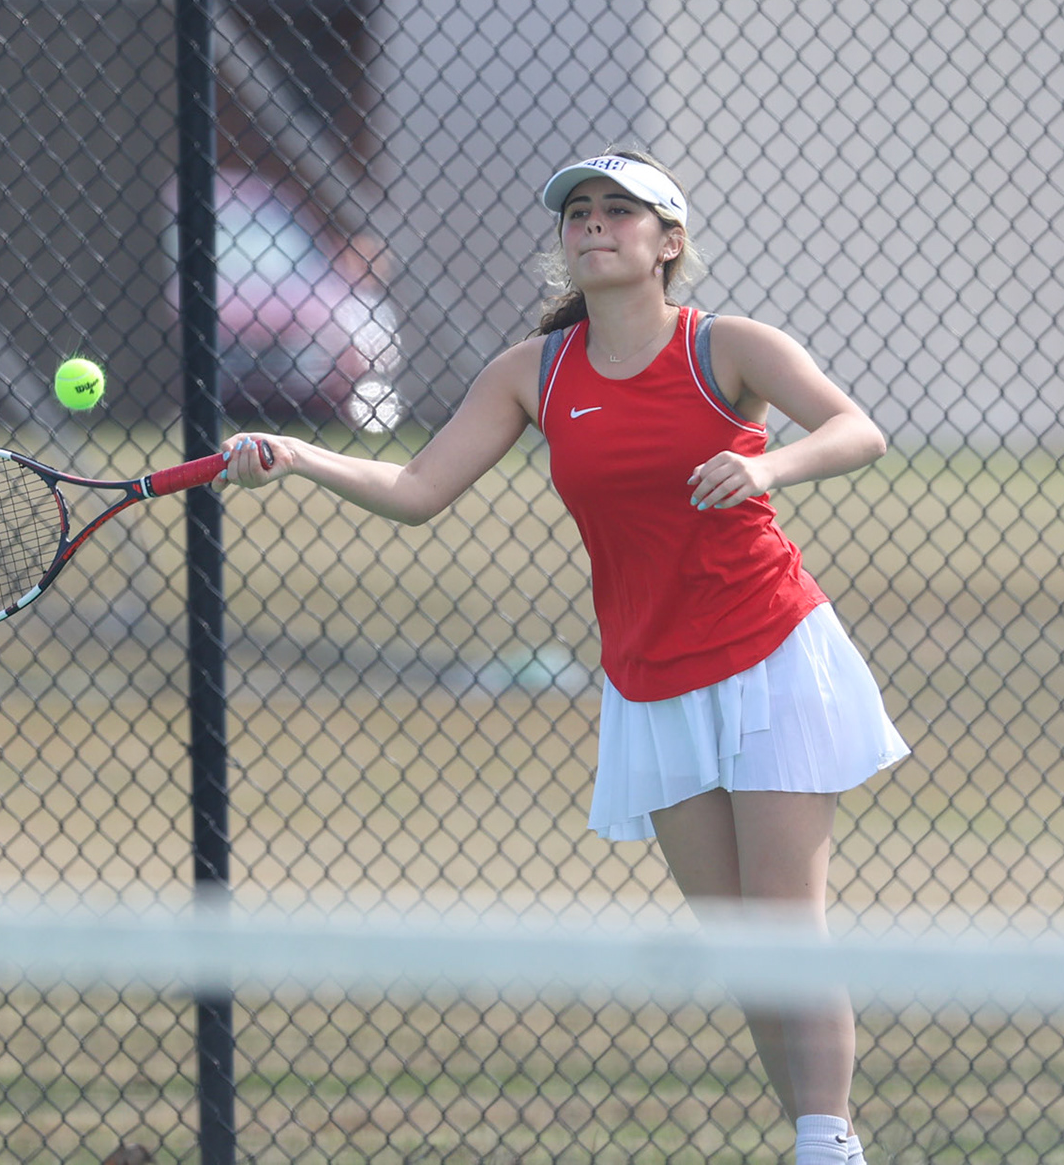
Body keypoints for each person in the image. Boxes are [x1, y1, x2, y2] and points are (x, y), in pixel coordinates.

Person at [217, 147, 909, 1165]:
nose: (593, 225)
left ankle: (826, 1141)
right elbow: (417, 489)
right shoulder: (532, 372)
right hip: (651, 676)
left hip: (771, 650)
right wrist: (301, 454)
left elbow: (859, 429)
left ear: (667, 242)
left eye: (618, 212)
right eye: (578, 212)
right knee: (740, 947)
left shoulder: (729, 347)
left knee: (785, 926)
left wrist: (769, 461)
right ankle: (816, 1133)